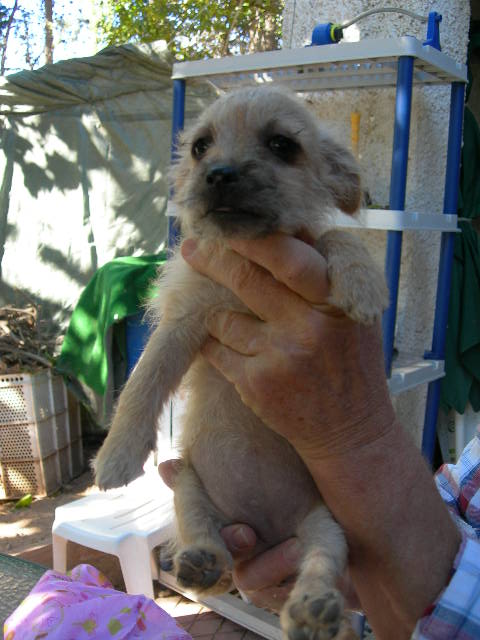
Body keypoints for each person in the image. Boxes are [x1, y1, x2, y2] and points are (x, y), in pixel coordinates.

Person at [159, 234, 480, 640]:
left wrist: (360, 435)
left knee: (318, 540)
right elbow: (455, 509)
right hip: (245, 501)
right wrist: (363, 574)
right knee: (192, 491)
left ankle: (314, 592)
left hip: (307, 518)